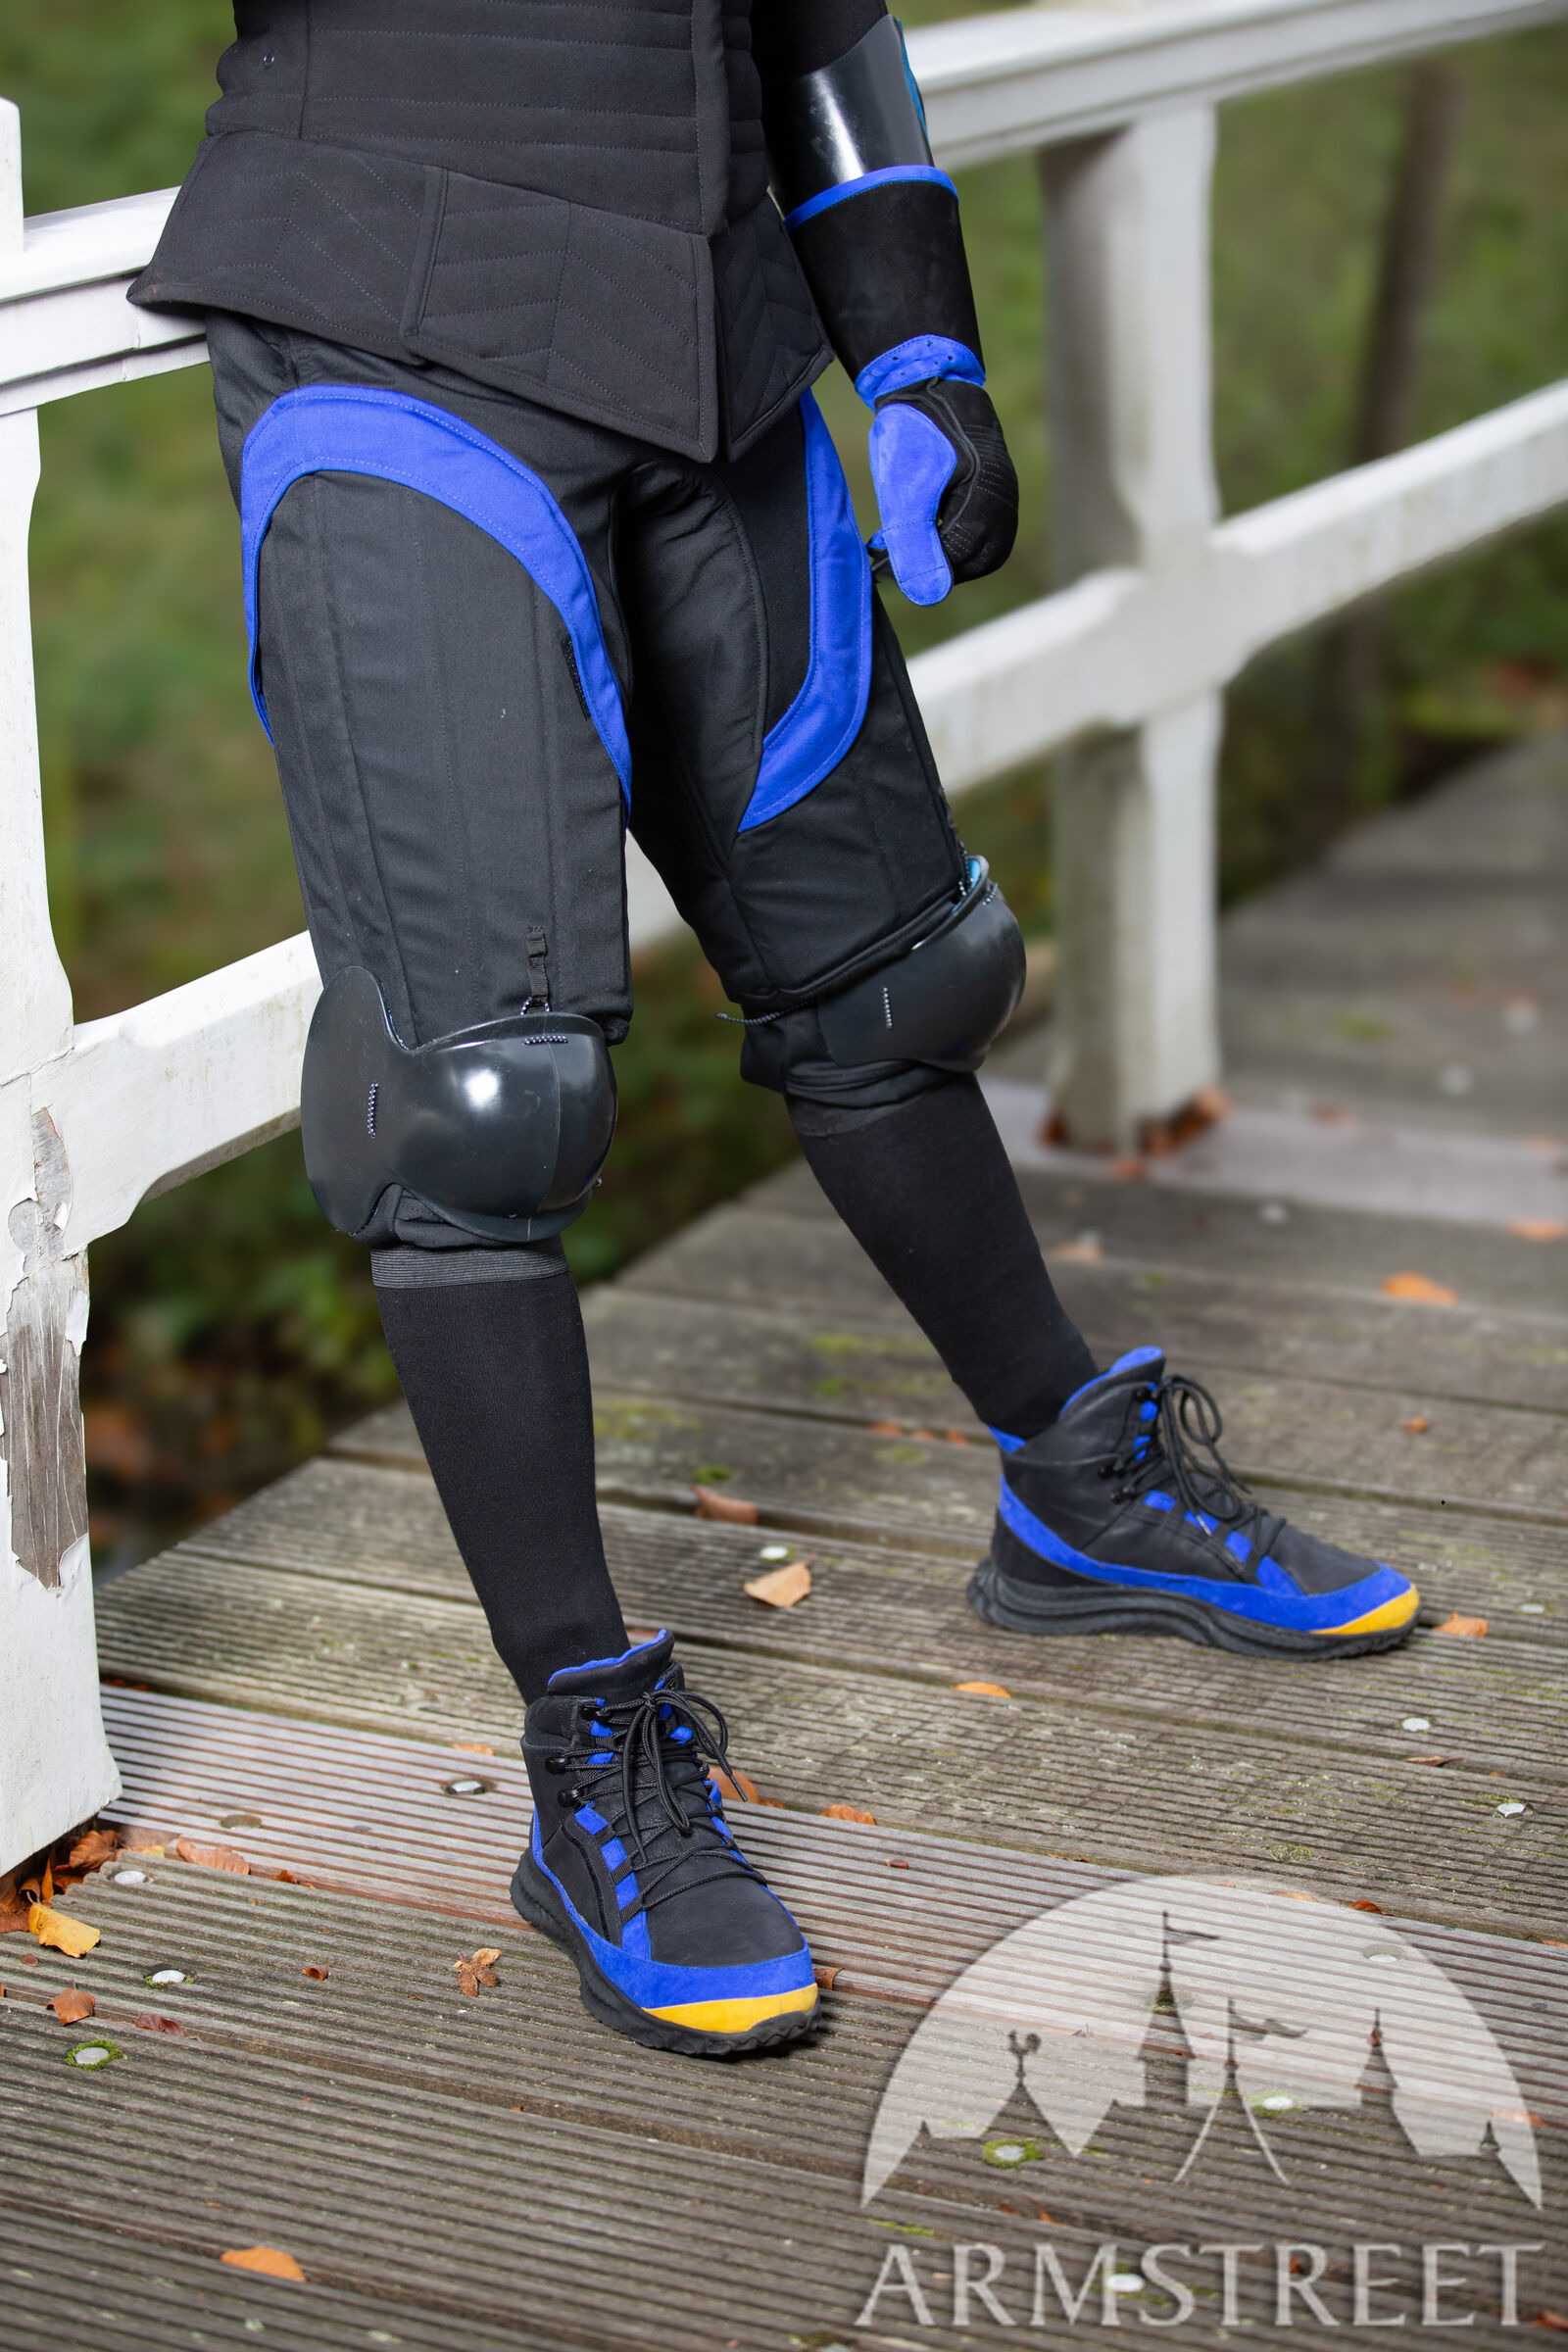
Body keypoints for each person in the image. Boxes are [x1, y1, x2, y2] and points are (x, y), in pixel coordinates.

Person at [132, 0, 1419, 2062]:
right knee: (480, 1099)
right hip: (398, 331)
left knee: (894, 973)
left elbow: (820, 17)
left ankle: (1073, 1485)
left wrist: (916, 343)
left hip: (719, 346)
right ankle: (591, 1758)